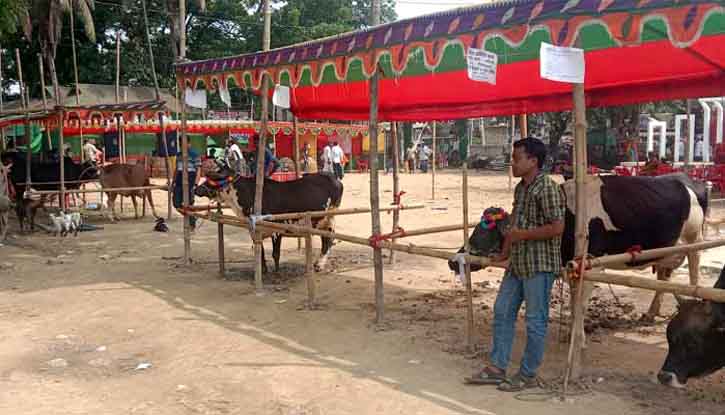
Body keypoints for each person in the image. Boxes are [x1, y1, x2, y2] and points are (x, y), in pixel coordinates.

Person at [466, 137, 565, 392]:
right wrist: (504, 251)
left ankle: (528, 373)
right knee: (501, 311)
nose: (512, 163)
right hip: (518, 263)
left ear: (533, 161)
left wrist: (523, 235)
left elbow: (557, 227)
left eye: (516, 158)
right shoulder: (521, 189)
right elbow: (513, 228)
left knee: (535, 321)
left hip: (539, 265)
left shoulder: (547, 188)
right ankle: (497, 368)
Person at [173, 140, 202, 230]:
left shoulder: (195, 154)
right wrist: (173, 181)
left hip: (190, 178)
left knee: (189, 203)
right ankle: (192, 217)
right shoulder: (178, 155)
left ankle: (192, 224)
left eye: (186, 144)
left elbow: (198, 170)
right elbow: (177, 169)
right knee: (176, 203)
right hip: (179, 179)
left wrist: (196, 184)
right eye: (182, 144)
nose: (184, 146)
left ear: (189, 143)